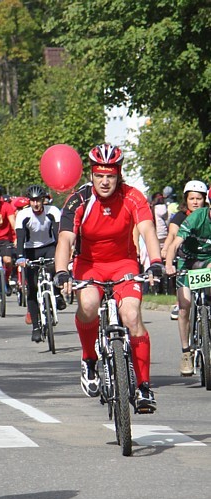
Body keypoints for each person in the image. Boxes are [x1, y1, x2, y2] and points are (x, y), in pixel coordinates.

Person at [54, 144, 162, 413]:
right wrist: (61, 271)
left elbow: (147, 230)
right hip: (88, 265)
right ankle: (89, 358)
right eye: (100, 175)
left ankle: (143, 386)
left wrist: (156, 263)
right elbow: (66, 239)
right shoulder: (78, 200)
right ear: (91, 174)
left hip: (124, 263)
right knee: (89, 305)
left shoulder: (133, 197)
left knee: (132, 316)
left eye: (110, 176)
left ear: (119, 175)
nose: (105, 181)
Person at [163, 180, 210, 376]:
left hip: (208, 260)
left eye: (199, 198)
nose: (195, 201)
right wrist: (168, 264)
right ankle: (185, 353)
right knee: (185, 305)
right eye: (192, 198)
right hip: (187, 261)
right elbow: (175, 243)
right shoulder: (194, 218)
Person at [14, 185, 64, 342]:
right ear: (29, 201)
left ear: (44, 200)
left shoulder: (53, 211)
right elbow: (20, 239)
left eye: (38, 200)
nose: (36, 204)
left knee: (53, 266)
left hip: (49, 246)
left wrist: (62, 253)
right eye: (33, 200)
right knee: (32, 287)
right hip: (30, 250)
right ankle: (36, 327)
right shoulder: (23, 215)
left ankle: (56, 292)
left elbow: (58, 235)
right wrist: (21, 257)